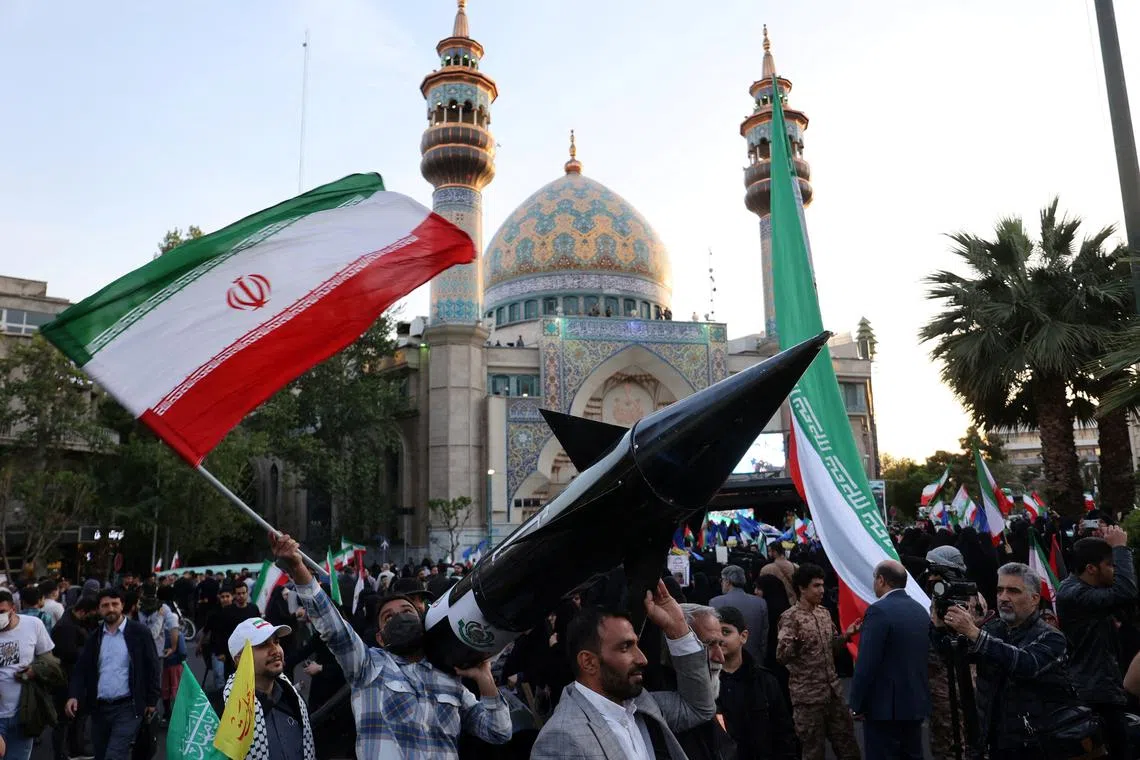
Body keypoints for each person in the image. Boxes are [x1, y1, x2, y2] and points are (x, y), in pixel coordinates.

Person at [270, 532, 512, 757]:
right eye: (389, 617)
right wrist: (296, 566)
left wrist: (485, 678)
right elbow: (331, 624)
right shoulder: (367, 666)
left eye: (407, 611)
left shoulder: (451, 681)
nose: (399, 617)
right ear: (380, 637)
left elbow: (498, 732)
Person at [531, 581, 716, 760]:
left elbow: (699, 708)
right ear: (588, 662)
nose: (642, 659)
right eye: (625, 647)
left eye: (636, 644)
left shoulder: (640, 705)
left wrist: (678, 630)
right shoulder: (563, 737)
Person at [938, 562, 1075, 760]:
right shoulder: (994, 629)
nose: (1003, 597)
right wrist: (939, 627)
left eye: (1013, 591)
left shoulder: (1052, 637)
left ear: (1034, 599)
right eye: (1000, 590)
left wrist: (974, 632)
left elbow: (1025, 664)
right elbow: (954, 657)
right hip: (994, 741)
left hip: (1036, 743)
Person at [1056, 528, 1136, 760]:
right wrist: (1121, 548)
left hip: (1105, 686)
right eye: (1111, 565)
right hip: (1094, 692)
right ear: (1091, 568)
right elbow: (1126, 591)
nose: (1115, 570)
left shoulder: (1089, 588)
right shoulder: (1073, 594)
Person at [776, 563, 860, 760]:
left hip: (833, 693)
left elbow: (833, 648)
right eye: (816, 586)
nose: (822, 590)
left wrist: (846, 636)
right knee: (813, 751)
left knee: (848, 746)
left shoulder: (824, 613)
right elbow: (781, 656)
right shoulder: (790, 618)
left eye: (822, 585)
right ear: (802, 588)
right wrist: (797, 645)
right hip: (808, 698)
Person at [848, 560, 929, 760]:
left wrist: (856, 702)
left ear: (882, 580)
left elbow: (866, 663)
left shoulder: (878, 611)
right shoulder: (920, 610)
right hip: (914, 702)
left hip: (884, 708)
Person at [66, 589, 160, 760]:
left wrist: (152, 700)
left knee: (114, 755)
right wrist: (74, 696)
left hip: (128, 707)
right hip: (100, 709)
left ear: (122, 606)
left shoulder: (139, 633)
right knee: (101, 755)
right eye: (105, 605)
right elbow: (81, 669)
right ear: (99, 609)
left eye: (115, 604)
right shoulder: (95, 637)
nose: (111, 609)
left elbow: (153, 666)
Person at [224, 617, 315, 759]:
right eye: (263, 645)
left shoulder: (293, 699)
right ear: (239, 659)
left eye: (276, 642)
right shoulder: (225, 712)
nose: (275, 650)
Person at [716, 605, 796, 760]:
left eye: (726, 632)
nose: (719, 639)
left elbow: (783, 733)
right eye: (715, 633)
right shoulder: (705, 683)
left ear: (743, 636)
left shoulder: (765, 681)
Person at [0, 588, 54, 760]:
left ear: (13, 609)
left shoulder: (33, 625)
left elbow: (50, 662)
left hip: (23, 712)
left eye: (1, 612)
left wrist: (34, 671)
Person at [50, 596, 96, 760]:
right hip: (66, 679)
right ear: (83, 612)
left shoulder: (73, 622)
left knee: (76, 717)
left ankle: (75, 747)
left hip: (73, 677)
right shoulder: (66, 627)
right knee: (64, 719)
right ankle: (63, 752)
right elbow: (69, 654)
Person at [710, 564, 769, 663]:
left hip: (725, 659)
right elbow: (764, 636)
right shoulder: (760, 603)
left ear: (727, 581)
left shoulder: (715, 602)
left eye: (722, 581)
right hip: (754, 658)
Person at [198, 583, 235, 692]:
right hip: (216, 649)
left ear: (232, 597)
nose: (225, 599)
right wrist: (199, 645)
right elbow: (206, 630)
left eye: (227, 596)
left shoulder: (236, 611)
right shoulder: (214, 613)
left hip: (233, 650)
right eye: (223, 597)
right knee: (219, 676)